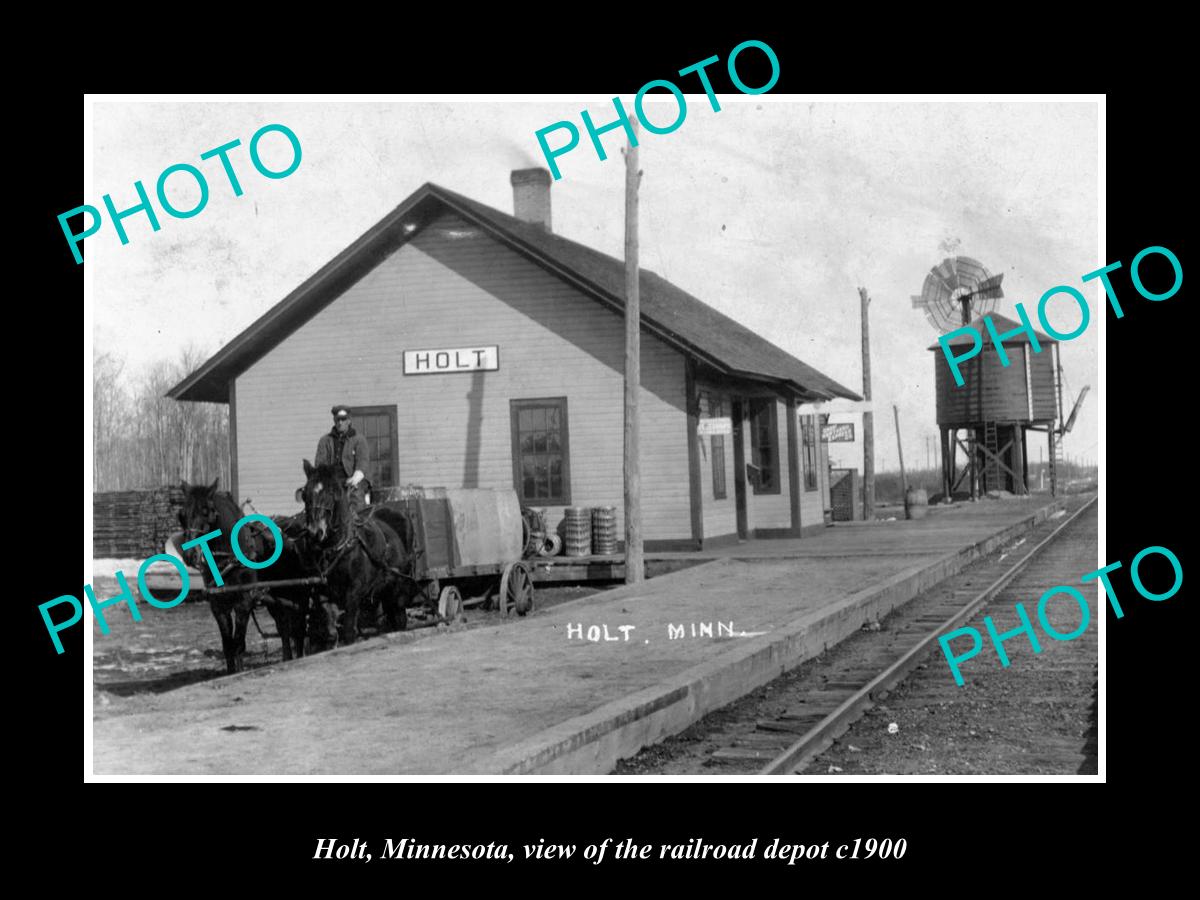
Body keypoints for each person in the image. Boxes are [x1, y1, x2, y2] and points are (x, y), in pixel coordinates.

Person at [315, 405, 371, 514]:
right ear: (334, 420)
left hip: (351, 482)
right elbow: (320, 463)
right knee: (317, 505)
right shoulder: (325, 441)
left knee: (357, 507)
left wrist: (355, 477)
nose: (340, 422)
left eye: (343, 419)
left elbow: (363, 461)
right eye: (337, 420)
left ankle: (358, 525)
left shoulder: (359, 439)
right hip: (331, 483)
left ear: (349, 421)